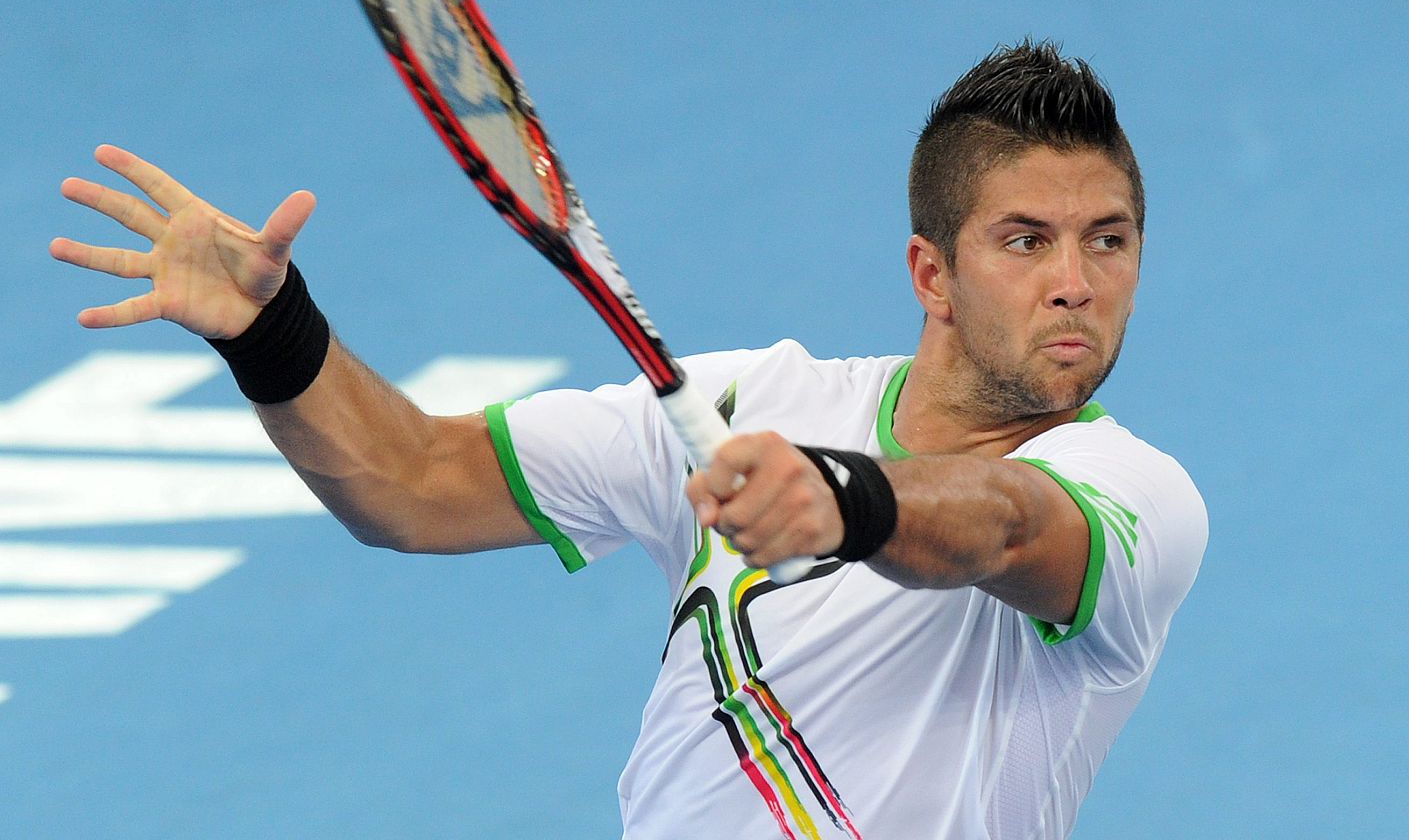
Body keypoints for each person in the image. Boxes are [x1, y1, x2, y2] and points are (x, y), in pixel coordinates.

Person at [51, 41, 1206, 838]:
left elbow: (1007, 527)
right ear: (932, 272)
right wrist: (271, 330)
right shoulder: (751, 400)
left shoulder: (1139, 495)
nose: (1073, 283)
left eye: (1107, 241)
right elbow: (414, 482)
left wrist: (847, 501)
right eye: (1025, 240)